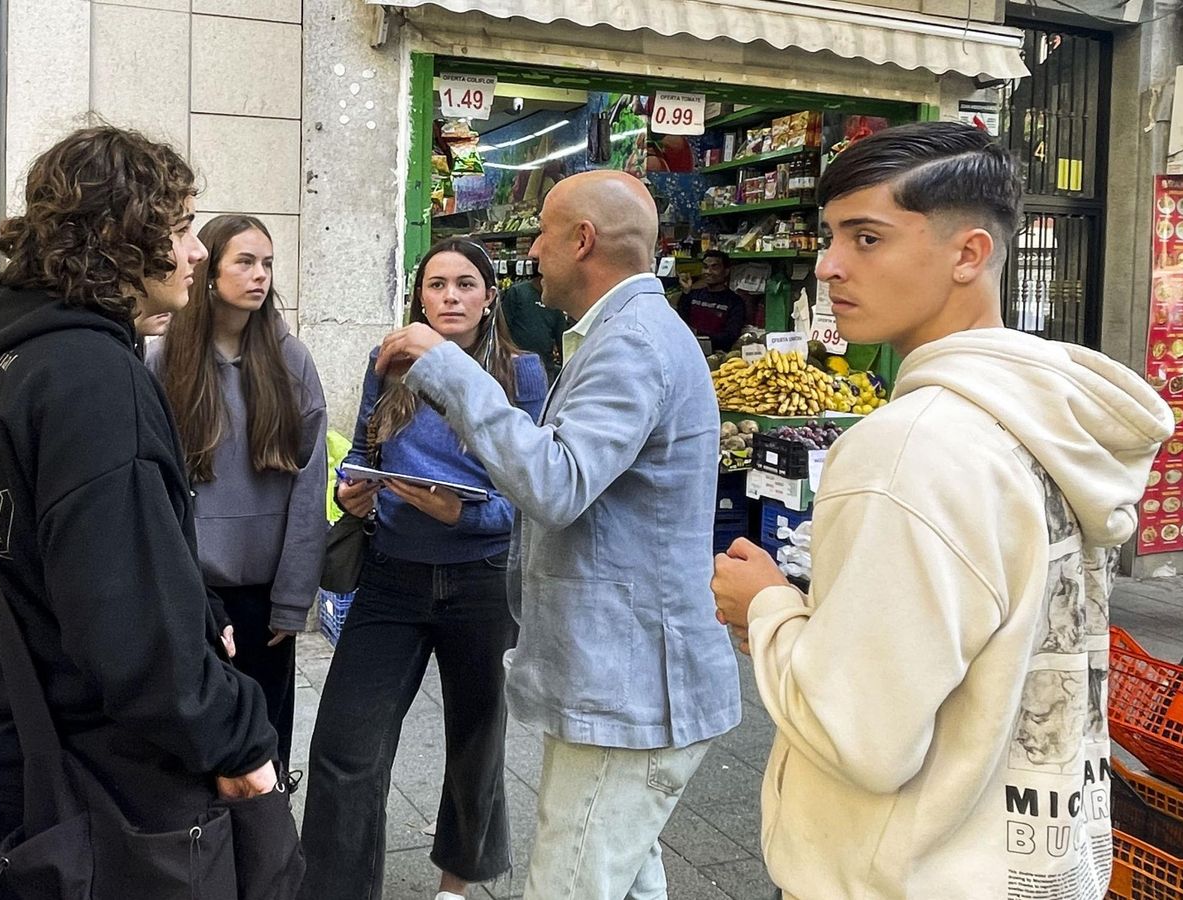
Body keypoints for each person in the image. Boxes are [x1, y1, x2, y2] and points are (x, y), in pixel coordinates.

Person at [710, 122, 1170, 899]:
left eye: (867, 238)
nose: (828, 266)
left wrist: (768, 610)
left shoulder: (909, 447)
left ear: (969, 255)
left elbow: (858, 736)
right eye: (830, 236)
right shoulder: (1047, 428)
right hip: (1034, 861)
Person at [0, 126, 281, 897]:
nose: (194, 253)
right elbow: (130, 631)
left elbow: (54, 555)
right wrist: (239, 742)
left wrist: (195, 599)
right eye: (180, 227)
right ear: (120, 234)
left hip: (8, 754)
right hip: (97, 782)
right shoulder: (89, 375)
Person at [376, 171, 741, 900]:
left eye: (544, 232)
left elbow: (558, 483)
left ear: (583, 241)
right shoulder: (623, 333)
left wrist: (445, 369)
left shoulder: (631, 341)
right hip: (625, 686)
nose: (533, 248)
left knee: (570, 884)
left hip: (630, 694)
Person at [299, 237, 546, 900]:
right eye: (437, 285)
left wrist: (460, 515)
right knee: (345, 747)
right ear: (419, 297)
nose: (450, 298)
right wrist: (355, 489)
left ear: (491, 296)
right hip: (392, 576)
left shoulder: (521, 375)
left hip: (483, 579)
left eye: (466, 284)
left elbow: (533, 494)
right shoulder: (389, 364)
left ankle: (454, 888)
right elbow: (362, 452)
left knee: (476, 746)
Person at [149, 214, 328, 775]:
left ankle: (267, 857)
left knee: (266, 748)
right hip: (192, 592)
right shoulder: (164, 359)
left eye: (268, 263)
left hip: (265, 595)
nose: (261, 276)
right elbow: (155, 484)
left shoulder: (290, 360)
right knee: (198, 751)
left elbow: (310, 484)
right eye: (245, 262)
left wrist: (295, 597)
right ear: (208, 271)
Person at [498, 274, 568, 381]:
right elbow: (502, 328)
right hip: (515, 366)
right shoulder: (518, 292)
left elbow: (562, 338)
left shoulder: (555, 299)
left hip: (544, 368)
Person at [678, 249, 746, 352]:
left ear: (726, 271)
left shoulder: (735, 302)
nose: (708, 272)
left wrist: (699, 334)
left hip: (717, 356)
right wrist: (686, 291)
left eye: (714, 267)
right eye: (705, 267)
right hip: (688, 351)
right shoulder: (693, 295)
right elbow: (680, 320)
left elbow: (730, 337)